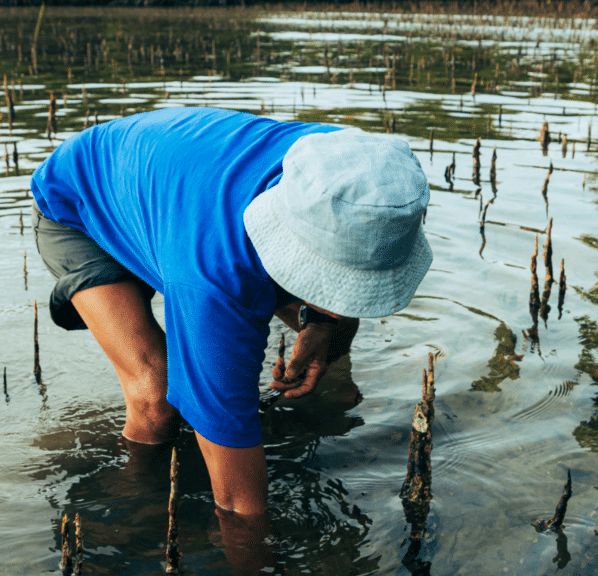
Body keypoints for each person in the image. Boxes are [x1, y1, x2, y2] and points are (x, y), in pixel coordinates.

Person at [30, 106, 431, 520]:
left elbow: (350, 280)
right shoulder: (215, 274)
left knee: (335, 330)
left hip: (175, 193)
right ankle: (134, 500)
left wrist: (322, 327)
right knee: (156, 396)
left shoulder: (368, 177)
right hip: (78, 203)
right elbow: (240, 506)